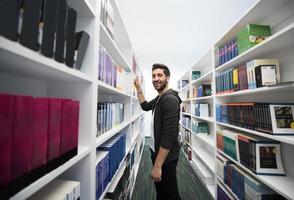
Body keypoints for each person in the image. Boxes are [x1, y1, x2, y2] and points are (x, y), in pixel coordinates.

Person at [134, 63, 182, 200]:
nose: (156, 78)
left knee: (170, 195)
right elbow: (145, 106)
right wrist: (138, 87)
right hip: (157, 152)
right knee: (161, 192)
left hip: (165, 158)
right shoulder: (160, 97)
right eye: (154, 76)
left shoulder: (170, 99)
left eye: (159, 75)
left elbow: (169, 137)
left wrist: (157, 166)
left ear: (167, 78)